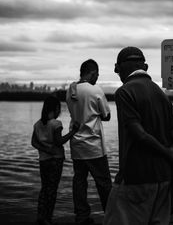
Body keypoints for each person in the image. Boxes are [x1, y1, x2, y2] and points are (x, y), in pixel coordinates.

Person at [104, 46, 173, 225]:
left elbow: (139, 134)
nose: (117, 74)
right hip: (163, 179)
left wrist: (165, 151)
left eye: (117, 70)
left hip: (135, 178)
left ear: (120, 68)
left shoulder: (124, 92)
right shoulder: (162, 95)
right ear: (145, 68)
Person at [66, 59, 112, 225]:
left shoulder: (71, 90)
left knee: (79, 182)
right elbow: (106, 116)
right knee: (104, 183)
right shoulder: (95, 90)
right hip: (94, 146)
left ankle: (82, 216)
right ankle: (111, 216)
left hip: (77, 145)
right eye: (97, 74)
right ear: (92, 73)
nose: (97, 78)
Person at [31, 95, 80, 225]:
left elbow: (33, 142)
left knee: (44, 188)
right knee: (52, 190)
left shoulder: (38, 124)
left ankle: (40, 216)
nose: (60, 111)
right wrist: (73, 132)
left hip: (43, 160)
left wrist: (45, 150)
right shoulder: (56, 124)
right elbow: (59, 142)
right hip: (55, 160)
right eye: (59, 108)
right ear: (56, 108)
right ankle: (48, 218)